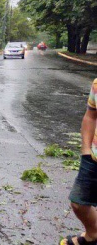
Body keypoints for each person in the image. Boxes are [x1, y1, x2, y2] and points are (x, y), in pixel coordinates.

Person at [61, 78, 97, 245]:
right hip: (94, 157)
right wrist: (85, 150)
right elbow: (90, 116)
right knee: (78, 203)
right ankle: (93, 235)